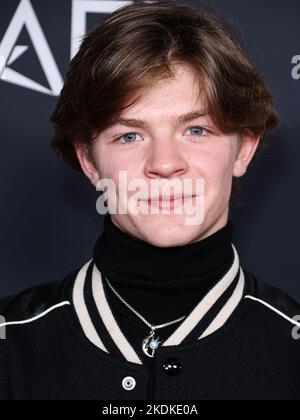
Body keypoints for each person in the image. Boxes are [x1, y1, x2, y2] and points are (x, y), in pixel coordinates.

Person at [0, 0, 299, 400]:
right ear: (89, 160)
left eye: (196, 130)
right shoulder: (10, 342)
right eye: (130, 135)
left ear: (243, 148)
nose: (164, 164)